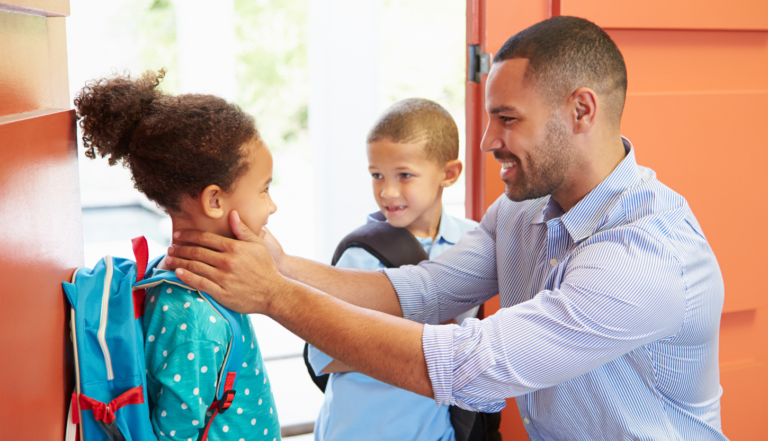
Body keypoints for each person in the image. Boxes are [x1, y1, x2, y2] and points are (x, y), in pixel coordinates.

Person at [165, 16, 728, 440]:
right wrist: (278, 262)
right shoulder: (521, 213)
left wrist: (273, 294)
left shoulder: (646, 258)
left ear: (581, 111)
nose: (487, 142)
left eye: (507, 119)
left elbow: (468, 368)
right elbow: (421, 292)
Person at [74, 70, 281, 441]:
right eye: (264, 190)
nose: (273, 206)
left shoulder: (177, 276)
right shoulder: (194, 316)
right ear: (214, 200)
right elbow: (176, 434)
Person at [308, 98, 478, 441]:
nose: (387, 191)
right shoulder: (359, 255)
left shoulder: (474, 242)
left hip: (437, 431)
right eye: (377, 175)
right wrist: (427, 340)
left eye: (404, 175)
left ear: (449, 173)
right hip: (358, 432)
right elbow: (321, 356)